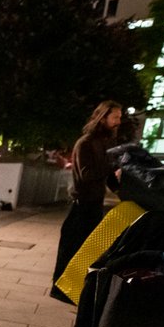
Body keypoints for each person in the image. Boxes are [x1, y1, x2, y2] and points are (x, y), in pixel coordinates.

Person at [52, 101, 123, 303]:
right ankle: (60, 289)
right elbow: (86, 174)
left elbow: (107, 176)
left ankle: (75, 288)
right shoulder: (86, 143)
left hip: (94, 204)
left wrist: (123, 192)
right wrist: (112, 170)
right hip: (82, 205)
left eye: (119, 117)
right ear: (103, 117)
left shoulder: (104, 143)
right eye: (115, 117)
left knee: (88, 250)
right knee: (71, 248)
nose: (119, 121)